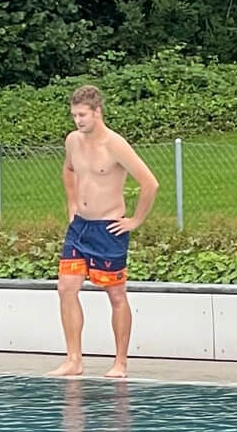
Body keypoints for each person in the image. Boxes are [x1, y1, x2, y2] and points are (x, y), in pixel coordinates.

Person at [53, 84, 160, 378]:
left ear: (97, 112)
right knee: (66, 287)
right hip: (80, 226)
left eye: (83, 115)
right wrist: (72, 200)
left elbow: (150, 183)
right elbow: (69, 169)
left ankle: (120, 362)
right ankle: (74, 358)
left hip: (109, 227)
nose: (78, 120)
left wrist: (135, 220)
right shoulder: (73, 141)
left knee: (115, 294)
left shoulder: (115, 145)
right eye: (74, 115)